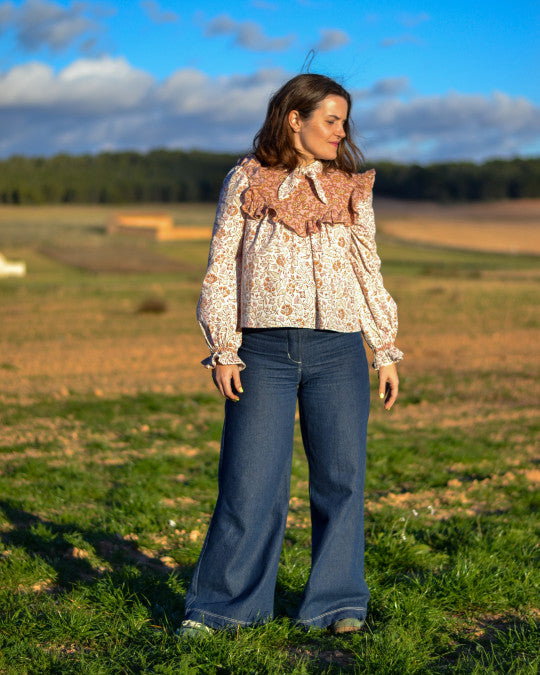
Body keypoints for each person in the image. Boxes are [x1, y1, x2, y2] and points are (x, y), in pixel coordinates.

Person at [179, 73, 402, 637]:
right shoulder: (246, 179)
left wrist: (384, 346)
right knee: (249, 481)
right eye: (331, 119)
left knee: (341, 478)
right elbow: (220, 265)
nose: (341, 130)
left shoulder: (350, 185)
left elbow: (366, 266)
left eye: (344, 120)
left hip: (339, 350)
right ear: (293, 118)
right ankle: (223, 610)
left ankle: (337, 603)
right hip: (262, 351)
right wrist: (224, 347)